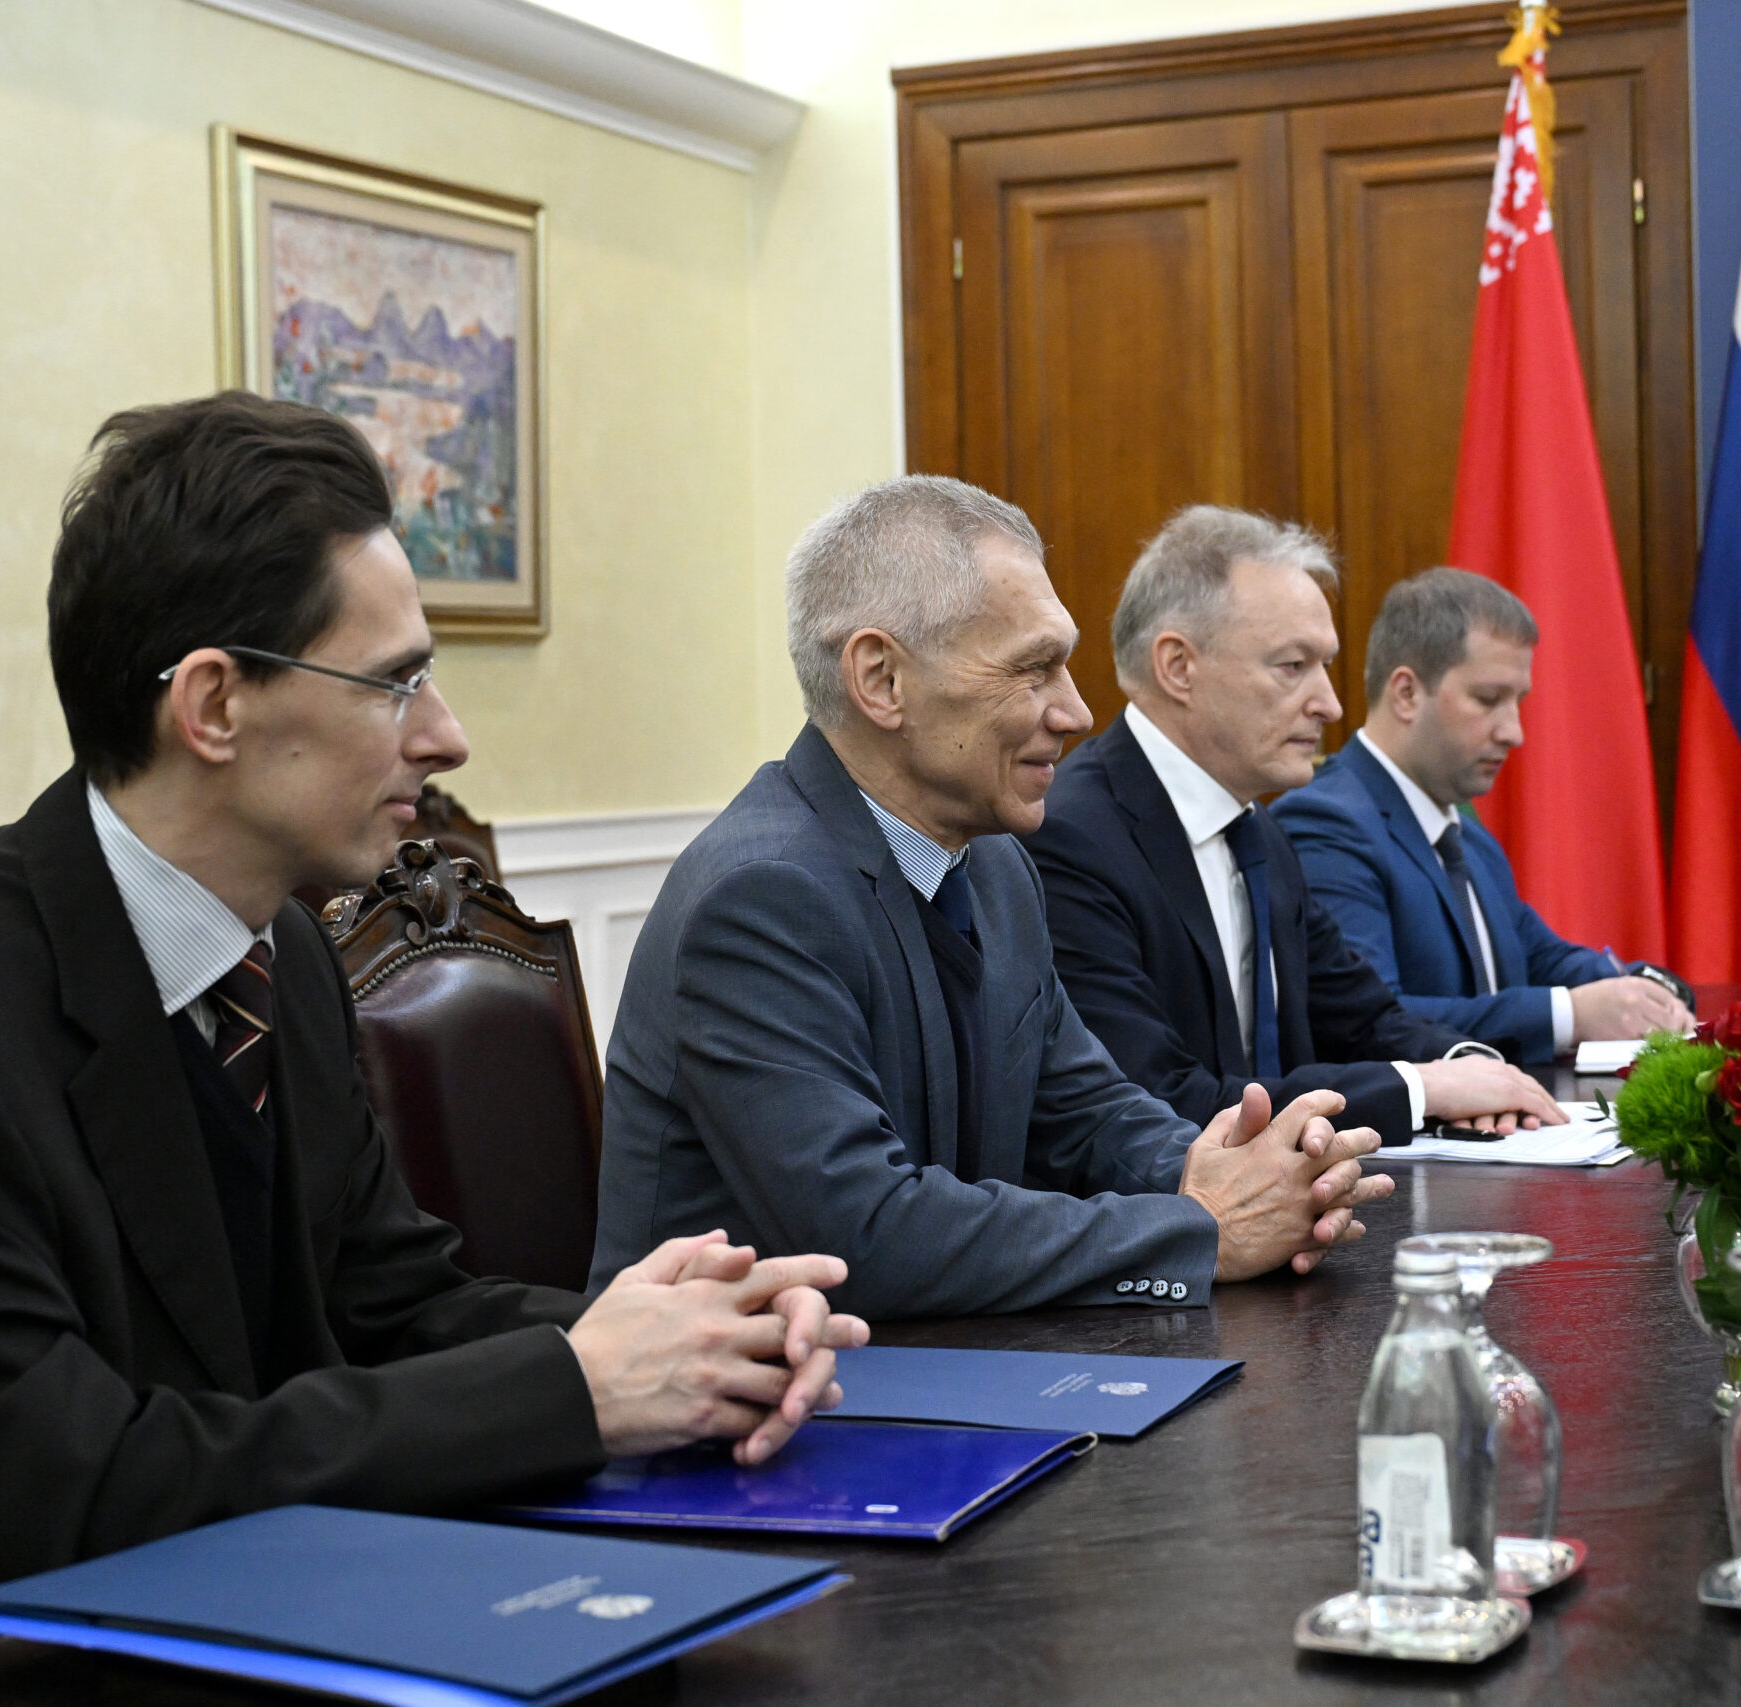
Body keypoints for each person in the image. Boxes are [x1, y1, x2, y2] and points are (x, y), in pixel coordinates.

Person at [0, 394, 864, 1702]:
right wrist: (574, 1386)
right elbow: (70, 1490)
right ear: (213, 705)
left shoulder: (284, 950)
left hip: (264, 1606)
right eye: (396, 682)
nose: (447, 736)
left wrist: (684, 1333)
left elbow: (394, 1304)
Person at [591, 477, 1391, 1320]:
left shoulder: (999, 866)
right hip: (763, 1386)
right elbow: (866, 1236)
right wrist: (1204, 1230)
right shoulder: (760, 897)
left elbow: (1083, 1109)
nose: (1076, 710)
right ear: (882, 679)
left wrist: (1220, 1166)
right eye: (1033, 668)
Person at [1022, 507, 1567, 1140]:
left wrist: (1469, 1068)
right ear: (1178, 667)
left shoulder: (1256, 828)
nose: (1329, 704)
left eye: (1326, 666)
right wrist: (1423, 1090)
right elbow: (1154, 1098)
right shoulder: (1070, 838)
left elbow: (1362, 1018)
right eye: (1292, 666)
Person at [1270, 568, 1694, 1062]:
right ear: (1406, 694)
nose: (1514, 732)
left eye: (1518, 702)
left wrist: (1647, 992)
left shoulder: (1464, 836)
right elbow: (1371, 1021)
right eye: (1489, 700)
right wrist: (1570, 1015)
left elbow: (1545, 958)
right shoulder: (1325, 824)